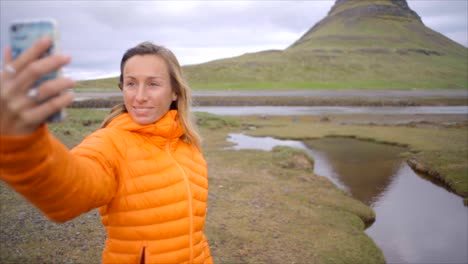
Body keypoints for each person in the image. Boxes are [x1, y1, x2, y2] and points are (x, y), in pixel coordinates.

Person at [0, 38, 213, 264]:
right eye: (131, 83)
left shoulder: (188, 146)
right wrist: (21, 141)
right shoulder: (109, 143)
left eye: (152, 84)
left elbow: (194, 235)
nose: (139, 96)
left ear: (175, 92)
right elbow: (69, 193)